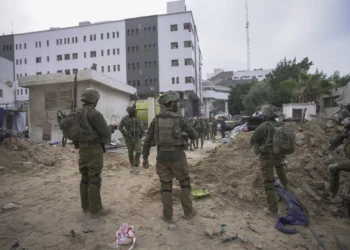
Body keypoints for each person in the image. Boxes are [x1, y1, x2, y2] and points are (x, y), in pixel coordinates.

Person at [142, 91, 198, 229]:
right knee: (184, 183)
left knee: (165, 186)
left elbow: (148, 140)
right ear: (172, 103)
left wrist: (144, 157)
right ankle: (188, 212)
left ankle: (168, 216)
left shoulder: (156, 120)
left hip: (161, 157)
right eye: (176, 102)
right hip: (177, 156)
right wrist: (184, 133)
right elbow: (195, 135)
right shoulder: (180, 119)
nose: (177, 104)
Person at [77, 88, 118, 216]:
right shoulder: (95, 114)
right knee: (94, 179)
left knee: (85, 178)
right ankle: (96, 209)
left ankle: (86, 206)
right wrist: (113, 126)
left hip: (82, 149)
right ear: (94, 100)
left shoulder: (77, 113)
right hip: (94, 150)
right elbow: (105, 131)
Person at [250, 104, 288, 215]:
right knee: (282, 175)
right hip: (279, 157)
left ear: (265, 116)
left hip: (267, 159)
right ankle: (286, 192)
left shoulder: (263, 126)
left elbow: (252, 140)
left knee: (269, 182)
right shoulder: (280, 125)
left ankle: (272, 209)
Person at [119, 105, 144, 173]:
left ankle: (136, 164)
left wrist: (142, 132)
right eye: (132, 111)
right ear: (129, 112)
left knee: (138, 151)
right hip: (129, 138)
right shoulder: (125, 118)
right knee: (130, 152)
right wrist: (125, 133)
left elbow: (141, 126)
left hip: (137, 137)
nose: (134, 112)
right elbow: (120, 127)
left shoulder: (138, 117)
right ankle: (132, 165)